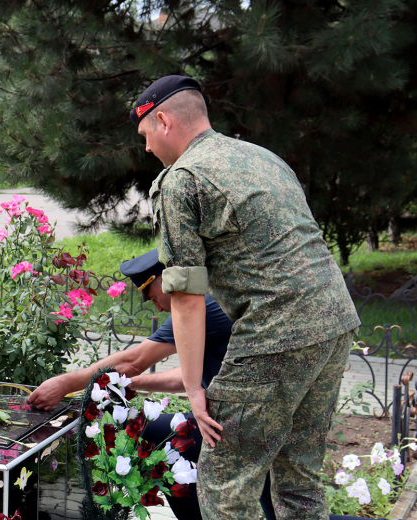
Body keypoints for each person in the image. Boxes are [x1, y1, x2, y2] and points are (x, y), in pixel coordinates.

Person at [132, 75, 361, 519]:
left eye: (145, 136)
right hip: (335, 324)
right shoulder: (261, 157)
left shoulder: (180, 180)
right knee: (300, 477)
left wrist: (195, 389)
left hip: (275, 334)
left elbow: (186, 295)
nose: (145, 149)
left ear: (163, 120)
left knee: (226, 487)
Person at [28, 249, 278, 520]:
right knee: (283, 511)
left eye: (152, 297)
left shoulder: (202, 306)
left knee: (157, 435)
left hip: (241, 422)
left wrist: (65, 383)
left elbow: (134, 360)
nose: (157, 307)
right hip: (256, 416)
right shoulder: (212, 299)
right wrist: (134, 383)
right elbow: (188, 376)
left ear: (164, 280)